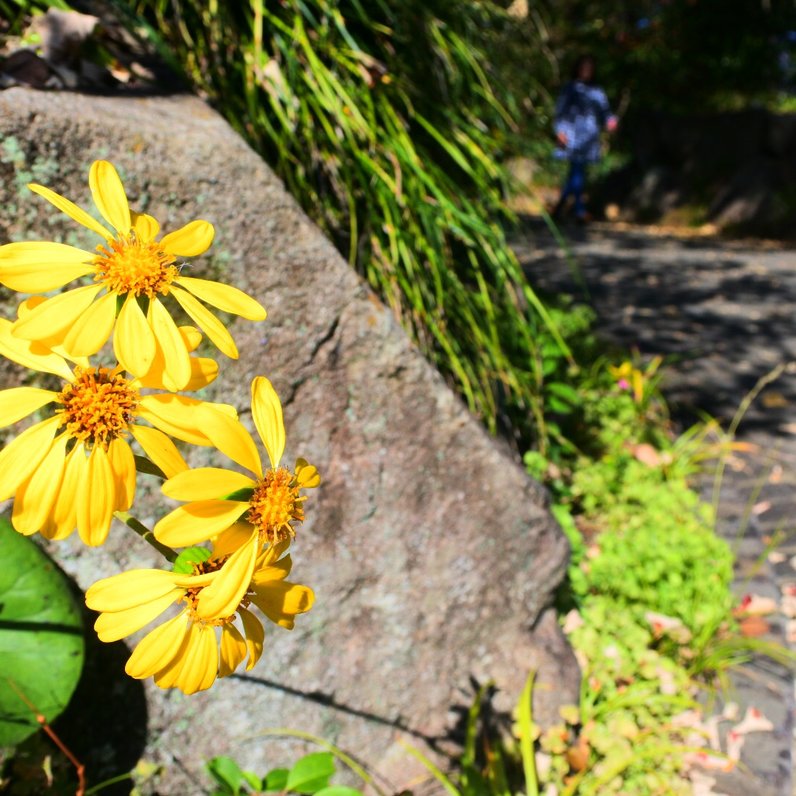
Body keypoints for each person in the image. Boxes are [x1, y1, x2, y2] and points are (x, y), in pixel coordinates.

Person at [552, 55, 617, 222]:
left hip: (590, 139)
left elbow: (606, 113)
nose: (586, 71)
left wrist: (611, 122)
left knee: (577, 173)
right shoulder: (570, 88)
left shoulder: (597, 91)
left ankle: (560, 207)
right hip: (572, 137)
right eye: (583, 67)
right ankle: (579, 210)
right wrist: (560, 132)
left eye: (589, 68)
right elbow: (560, 112)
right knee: (577, 172)